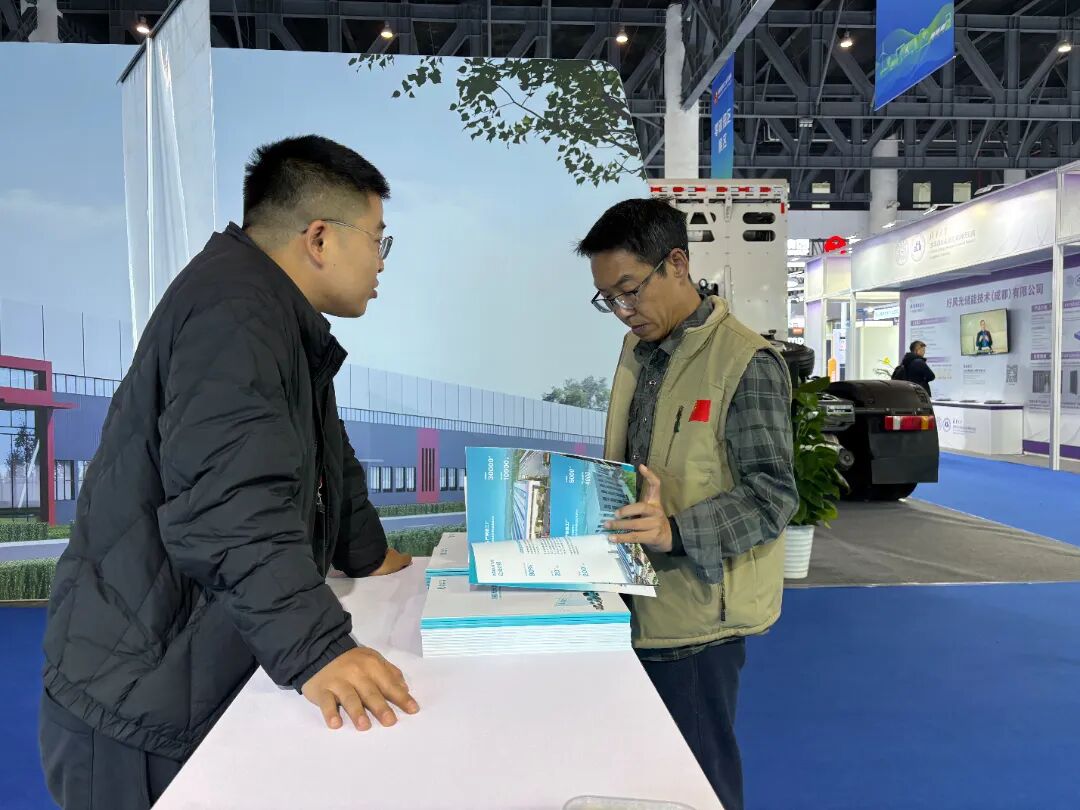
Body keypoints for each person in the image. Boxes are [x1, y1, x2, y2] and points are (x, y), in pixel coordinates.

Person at [39, 135, 419, 810]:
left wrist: (368, 555)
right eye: (378, 239)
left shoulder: (272, 311)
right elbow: (228, 504)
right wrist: (318, 649)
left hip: (173, 666)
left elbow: (326, 458)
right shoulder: (234, 315)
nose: (382, 262)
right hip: (138, 697)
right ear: (320, 238)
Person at [577, 198, 798, 810]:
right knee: (638, 777)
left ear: (677, 264)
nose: (623, 311)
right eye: (607, 299)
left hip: (697, 620)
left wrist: (674, 531)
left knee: (697, 782)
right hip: (633, 601)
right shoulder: (639, 350)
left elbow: (773, 495)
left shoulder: (745, 362)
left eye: (629, 291)